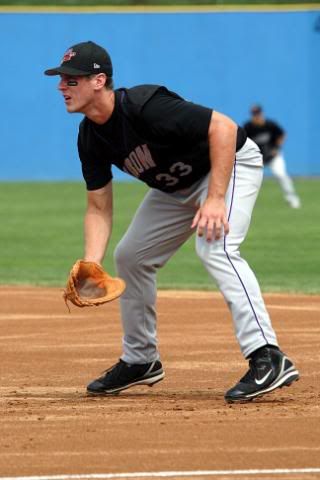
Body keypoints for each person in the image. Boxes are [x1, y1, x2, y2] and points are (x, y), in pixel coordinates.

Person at [45, 41, 299, 403]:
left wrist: (214, 198)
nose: (61, 87)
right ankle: (141, 359)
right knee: (131, 256)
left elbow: (224, 129)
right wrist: (92, 262)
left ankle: (268, 356)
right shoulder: (90, 137)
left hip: (228, 164)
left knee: (216, 246)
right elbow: (98, 207)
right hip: (176, 187)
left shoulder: (146, 107)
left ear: (99, 80)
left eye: (71, 80)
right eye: (62, 80)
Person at [244, 105, 301, 209]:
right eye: (254, 114)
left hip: (273, 157)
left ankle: (292, 198)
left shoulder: (270, 125)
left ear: (261, 113)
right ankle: (248, 202)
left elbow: (282, 134)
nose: (256, 116)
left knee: (281, 175)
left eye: (257, 114)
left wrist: (277, 148)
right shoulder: (248, 127)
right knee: (250, 179)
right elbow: (243, 141)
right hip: (257, 158)